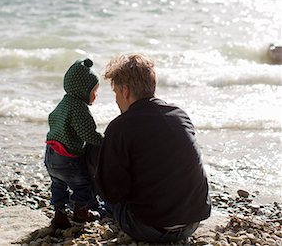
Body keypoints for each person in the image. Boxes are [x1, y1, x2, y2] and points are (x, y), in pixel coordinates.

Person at [95, 53, 211, 244]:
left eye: (116, 93)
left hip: (148, 227)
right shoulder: (179, 115)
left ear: (125, 91)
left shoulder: (120, 126)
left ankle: (85, 207)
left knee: (94, 153)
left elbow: (113, 191)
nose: (116, 101)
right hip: (192, 222)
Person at [45, 58, 103, 229]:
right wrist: (104, 141)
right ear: (83, 90)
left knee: (58, 184)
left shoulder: (63, 103)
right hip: (67, 159)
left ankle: (60, 215)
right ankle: (80, 214)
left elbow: (52, 119)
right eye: (94, 91)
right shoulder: (79, 108)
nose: (96, 95)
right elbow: (88, 134)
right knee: (82, 185)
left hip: (50, 154)